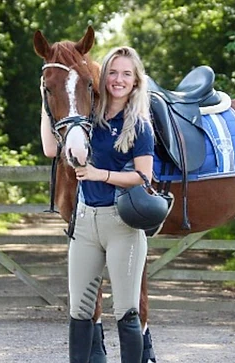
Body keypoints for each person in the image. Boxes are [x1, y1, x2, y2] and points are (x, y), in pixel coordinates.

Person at [41, 46, 155, 363]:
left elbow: (144, 176)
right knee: (79, 311)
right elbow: (51, 148)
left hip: (122, 225)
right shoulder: (87, 118)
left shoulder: (140, 125)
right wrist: (45, 92)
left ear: (136, 81)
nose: (118, 80)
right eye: (113, 73)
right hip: (85, 223)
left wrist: (99, 174)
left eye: (126, 74)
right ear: (103, 78)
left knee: (126, 310)